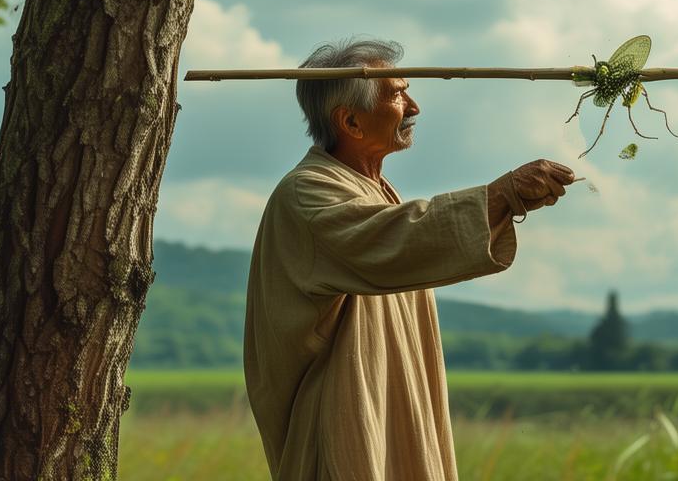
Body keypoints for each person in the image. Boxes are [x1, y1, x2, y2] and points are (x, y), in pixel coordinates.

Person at [243, 38, 575, 480]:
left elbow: (402, 234)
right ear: (351, 123)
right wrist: (501, 196)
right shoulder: (308, 191)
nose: (413, 105)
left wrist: (502, 201)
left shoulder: (374, 190)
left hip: (393, 417)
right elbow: (396, 239)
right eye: (397, 94)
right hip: (346, 428)